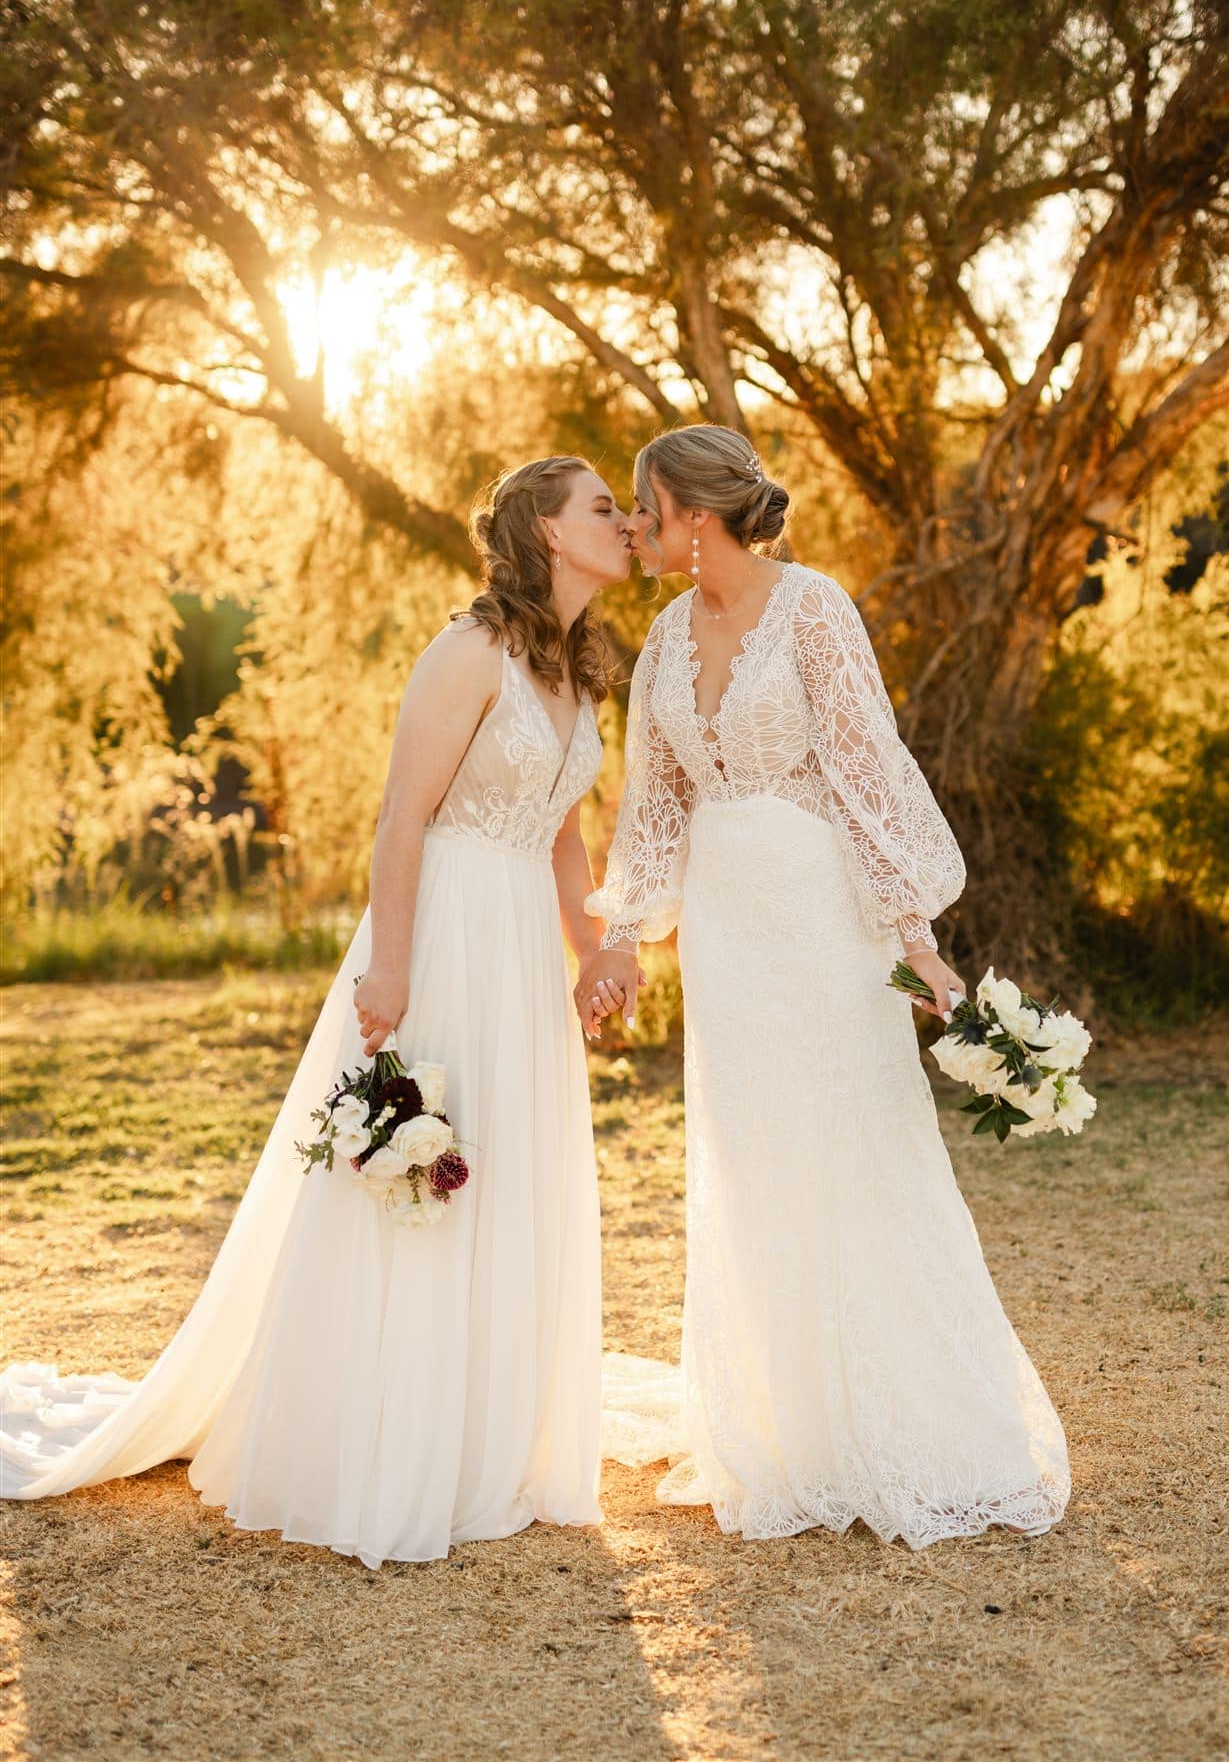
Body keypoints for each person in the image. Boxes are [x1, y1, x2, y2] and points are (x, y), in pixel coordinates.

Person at [1, 456, 634, 1569]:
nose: (626, 522)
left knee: (510, 1177)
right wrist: (388, 969)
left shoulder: (577, 670)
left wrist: (595, 954)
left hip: (525, 957)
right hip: (441, 935)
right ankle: (385, 1443)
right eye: (602, 508)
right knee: (417, 1179)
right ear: (544, 528)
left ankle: (487, 1438)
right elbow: (401, 818)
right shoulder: (469, 650)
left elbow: (563, 833)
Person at [575, 425, 1070, 1548]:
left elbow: (868, 778)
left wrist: (918, 941)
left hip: (821, 921)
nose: (636, 527)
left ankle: (916, 1428)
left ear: (695, 516)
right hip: (727, 941)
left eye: (646, 507)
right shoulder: (659, 633)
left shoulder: (813, 608)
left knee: (859, 1147)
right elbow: (651, 805)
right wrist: (625, 939)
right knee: (751, 1165)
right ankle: (784, 1429)